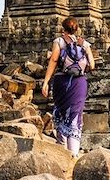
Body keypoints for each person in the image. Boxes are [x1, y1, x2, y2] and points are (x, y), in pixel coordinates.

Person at [41, 17, 95, 157]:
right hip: (79, 83)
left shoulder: (59, 41)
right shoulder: (85, 44)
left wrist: (46, 81)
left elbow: (53, 60)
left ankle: (62, 150)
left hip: (62, 82)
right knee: (75, 116)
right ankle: (73, 154)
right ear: (77, 29)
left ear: (62, 28)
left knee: (60, 112)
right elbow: (92, 65)